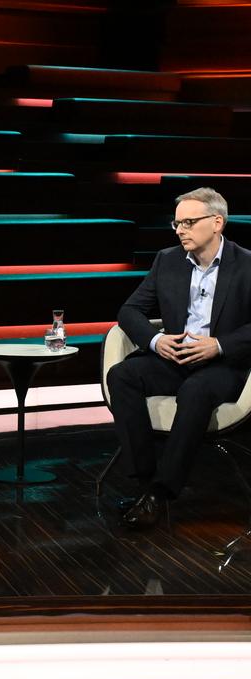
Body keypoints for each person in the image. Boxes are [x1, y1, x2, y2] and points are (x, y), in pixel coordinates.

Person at [107, 186, 251, 529]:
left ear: (217, 222)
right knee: (123, 375)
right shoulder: (167, 260)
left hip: (224, 365)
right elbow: (129, 311)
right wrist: (156, 341)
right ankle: (144, 480)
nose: (179, 230)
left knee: (196, 391)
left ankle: (161, 492)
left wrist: (218, 345)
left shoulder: (247, 264)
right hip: (175, 360)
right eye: (176, 224)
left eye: (188, 222)